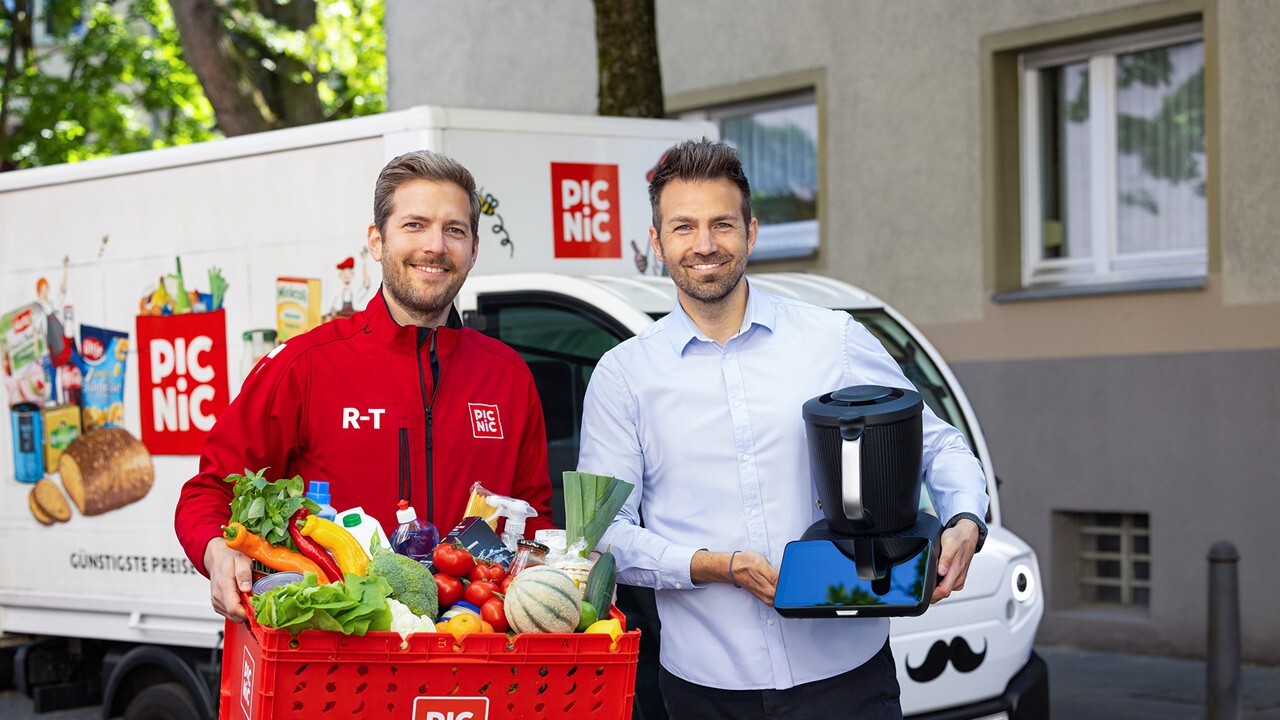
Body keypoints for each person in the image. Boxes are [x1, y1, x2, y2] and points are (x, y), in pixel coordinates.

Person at [576, 140, 988, 720]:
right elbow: (601, 532)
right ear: (655, 241)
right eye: (683, 227)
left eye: (722, 223)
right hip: (705, 688)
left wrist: (966, 518)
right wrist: (713, 565)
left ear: (751, 231)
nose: (705, 245)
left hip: (847, 679)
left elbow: (937, 442)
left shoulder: (832, 338)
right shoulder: (623, 376)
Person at [175, 150, 555, 622]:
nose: (435, 245)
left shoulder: (508, 376)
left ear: (474, 250)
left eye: (454, 230)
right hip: (335, 653)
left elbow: (533, 517)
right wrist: (216, 551)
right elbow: (209, 490)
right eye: (414, 225)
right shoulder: (306, 365)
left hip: (474, 651)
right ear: (376, 241)